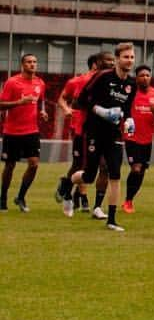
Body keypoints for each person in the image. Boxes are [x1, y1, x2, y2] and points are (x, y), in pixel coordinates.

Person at [67, 41, 137, 231]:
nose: (129, 60)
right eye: (125, 57)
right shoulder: (102, 77)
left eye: (132, 57)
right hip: (94, 131)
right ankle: (66, 186)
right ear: (117, 59)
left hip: (114, 134)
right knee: (89, 175)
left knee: (115, 174)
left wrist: (129, 120)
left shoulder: (132, 83)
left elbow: (127, 109)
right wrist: (100, 110)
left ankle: (112, 220)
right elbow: (80, 101)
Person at [57, 52, 109, 214]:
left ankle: (96, 205)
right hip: (82, 129)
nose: (112, 64)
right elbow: (63, 98)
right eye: (108, 61)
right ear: (96, 64)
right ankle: (68, 189)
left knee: (104, 167)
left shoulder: (114, 81)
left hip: (106, 131)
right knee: (80, 165)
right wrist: (66, 109)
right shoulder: (79, 81)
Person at [0, 51, 48, 212]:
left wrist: (43, 112)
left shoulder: (40, 83)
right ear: (22, 64)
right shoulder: (12, 82)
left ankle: (20, 197)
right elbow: (1, 104)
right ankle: (3, 197)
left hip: (31, 131)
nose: (32, 64)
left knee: (34, 164)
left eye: (34, 62)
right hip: (12, 131)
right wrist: (20, 102)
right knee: (10, 165)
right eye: (29, 62)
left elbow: (40, 101)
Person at [121, 64, 154, 213]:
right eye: (142, 75)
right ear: (137, 78)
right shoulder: (130, 93)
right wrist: (128, 130)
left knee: (141, 171)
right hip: (131, 136)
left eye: (147, 75)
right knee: (136, 168)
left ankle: (130, 200)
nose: (145, 78)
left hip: (147, 139)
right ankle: (127, 201)